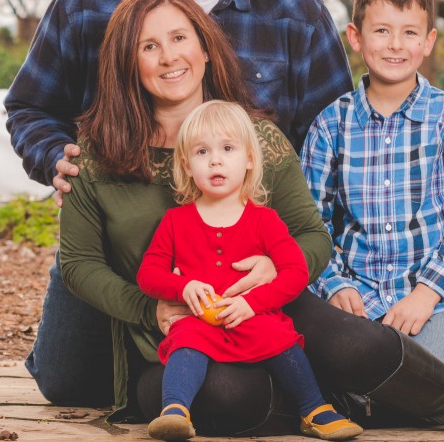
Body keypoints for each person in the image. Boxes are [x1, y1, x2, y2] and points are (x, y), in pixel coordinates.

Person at [58, 0, 444, 437]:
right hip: (173, 341)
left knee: (357, 344)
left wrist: (274, 268)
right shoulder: (97, 155)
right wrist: (152, 309)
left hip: (264, 308)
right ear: (129, 60)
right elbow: (79, 265)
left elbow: (311, 233)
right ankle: (336, 403)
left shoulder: (259, 142)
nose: (169, 56)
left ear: (205, 48)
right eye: (150, 46)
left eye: (179, 38)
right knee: (230, 396)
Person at [4, 0, 352, 407]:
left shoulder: (292, 4)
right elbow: (29, 107)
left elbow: (332, 130)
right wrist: (55, 156)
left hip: (243, 242)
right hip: (126, 236)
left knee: (265, 369)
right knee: (68, 382)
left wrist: (302, 255)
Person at [301, 0, 444, 376]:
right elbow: (309, 222)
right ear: (355, 37)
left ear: (428, 41)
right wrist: (335, 284)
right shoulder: (330, 125)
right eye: (382, 31)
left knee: (429, 382)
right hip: (358, 295)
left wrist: (426, 293)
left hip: (435, 295)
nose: (395, 45)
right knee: (339, 367)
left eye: (409, 33)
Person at [137, 100, 362, 441]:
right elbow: (149, 274)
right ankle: (175, 411)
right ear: (186, 164)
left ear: (249, 159)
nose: (215, 159)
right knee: (185, 342)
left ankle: (314, 409)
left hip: (252, 315)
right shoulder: (175, 221)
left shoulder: (264, 220)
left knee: (282, 340)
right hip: (200, 320)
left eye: (227, 148)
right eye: (201, 151)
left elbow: (295, 273)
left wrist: (253, 304)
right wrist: (182, 288)